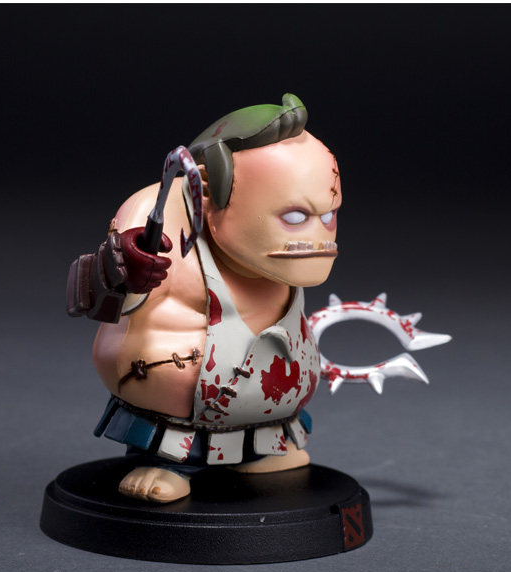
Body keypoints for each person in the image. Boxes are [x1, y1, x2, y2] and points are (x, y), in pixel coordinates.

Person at [66, 94, 341, 503]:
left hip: (274, 401)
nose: (319, 235)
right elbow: (96, 298)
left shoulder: (275, 254)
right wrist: (121, 266)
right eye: (295, 217)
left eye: (329, 215)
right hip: (173, 397)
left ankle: (262, 448)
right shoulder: (155, 214)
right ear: (209, 190)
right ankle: (170, 462)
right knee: (172, 428)